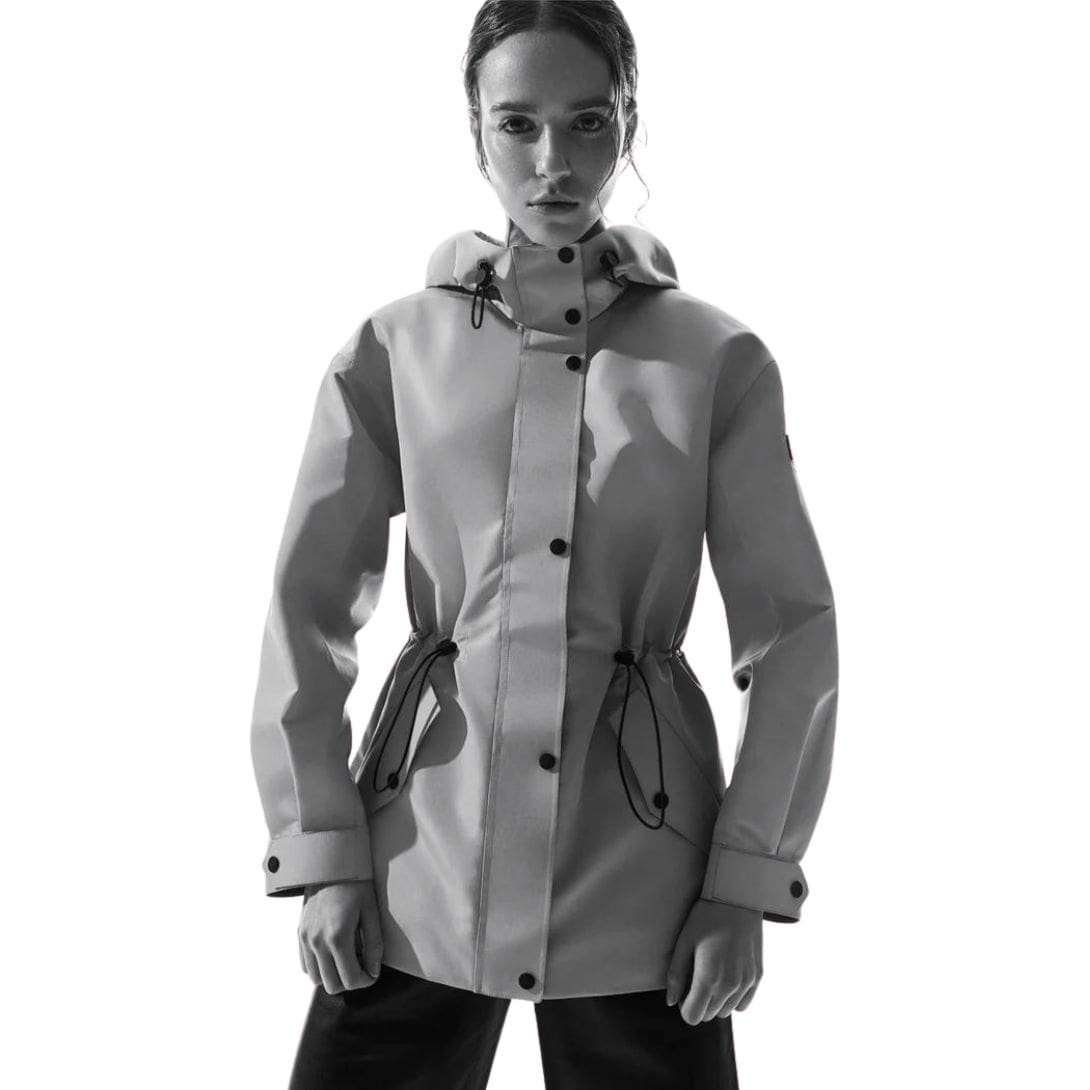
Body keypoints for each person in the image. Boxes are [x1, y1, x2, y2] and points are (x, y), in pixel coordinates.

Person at [248, 2, 838, 1087]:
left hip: (646, 873)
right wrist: (322, 849)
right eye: (517, 124)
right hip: (419, 859)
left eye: (587, 122)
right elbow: (307, 610)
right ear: (474, 130)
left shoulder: (716, 361)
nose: (552, 161)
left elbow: (792, 635)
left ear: (630, 124)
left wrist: (745, 883)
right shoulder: (394, 348)